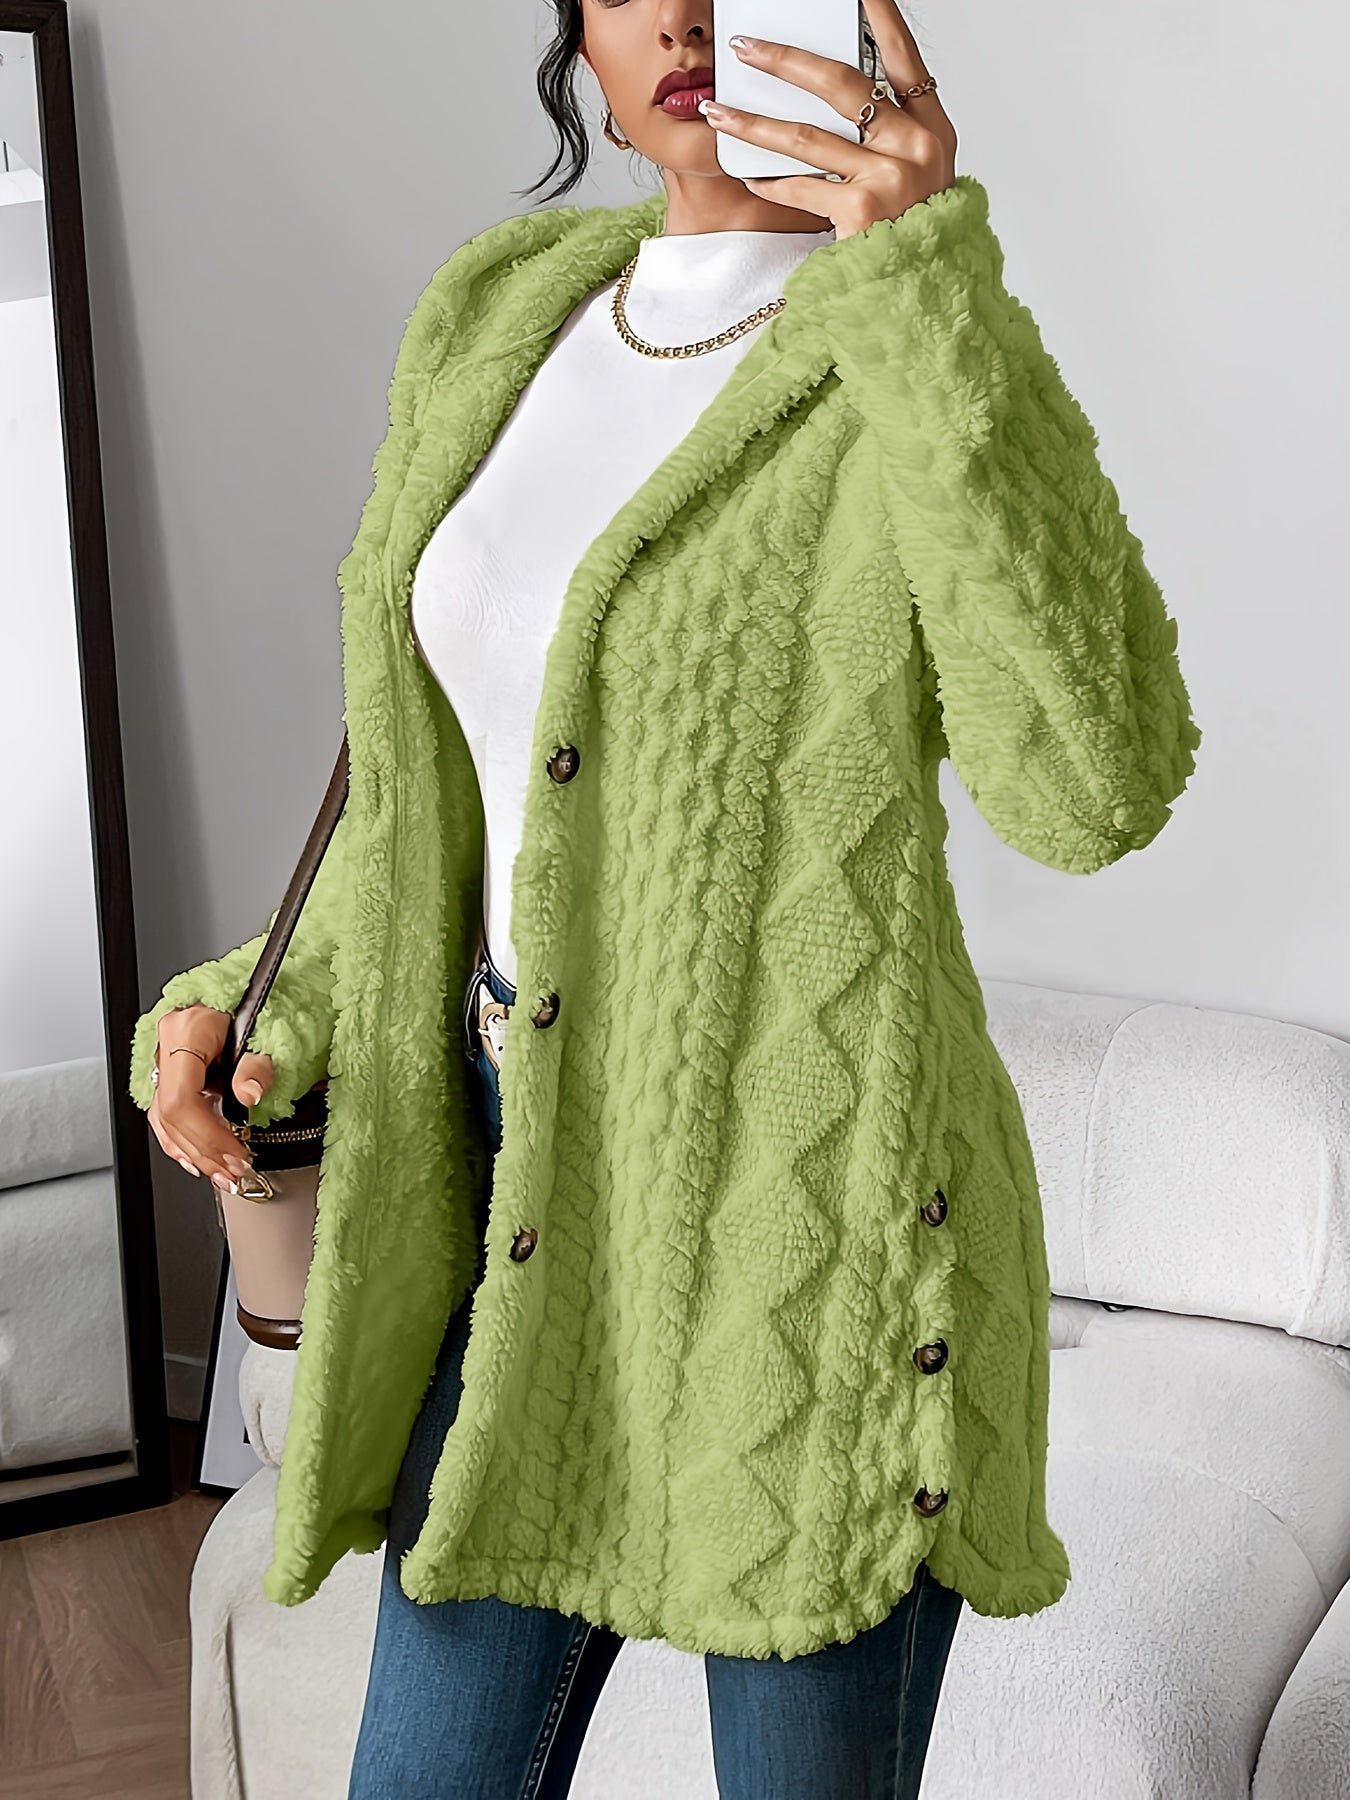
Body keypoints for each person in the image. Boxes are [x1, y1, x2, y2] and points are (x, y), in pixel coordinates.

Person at [130, 2, 1201, 1795]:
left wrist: (922, 279)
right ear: (581, 47)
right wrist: (261, 1003)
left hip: (813, 1228)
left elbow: (1093, 786)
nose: (690, 12)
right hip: (504, 1201)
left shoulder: (906, 340)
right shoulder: (500, 312)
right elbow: (425, 790)